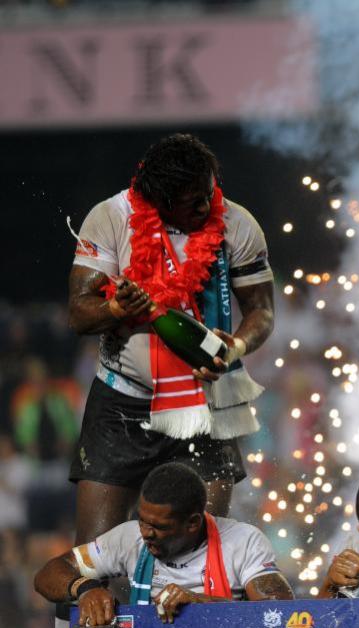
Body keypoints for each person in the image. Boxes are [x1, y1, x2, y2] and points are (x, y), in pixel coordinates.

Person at [67, 133, 275, 542]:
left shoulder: (237, 223)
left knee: (202, 552)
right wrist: (115, 309)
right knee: (94, 558)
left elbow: (262, 311)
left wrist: (234, 346)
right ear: (159, 201)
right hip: (122, 402)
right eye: (192, 200)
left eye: (209, 192)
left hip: (205, 404)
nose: (206, 205)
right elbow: (78, 312)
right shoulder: (110, 218)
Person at [34, 463, 293, 628]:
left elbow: (280, 616)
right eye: (142, 521)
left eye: (158, 527)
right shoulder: (129, 538)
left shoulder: (244, 541)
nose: (146, 534)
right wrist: (85, 589)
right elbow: (48, 574)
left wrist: (200, 604)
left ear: (192, 523)